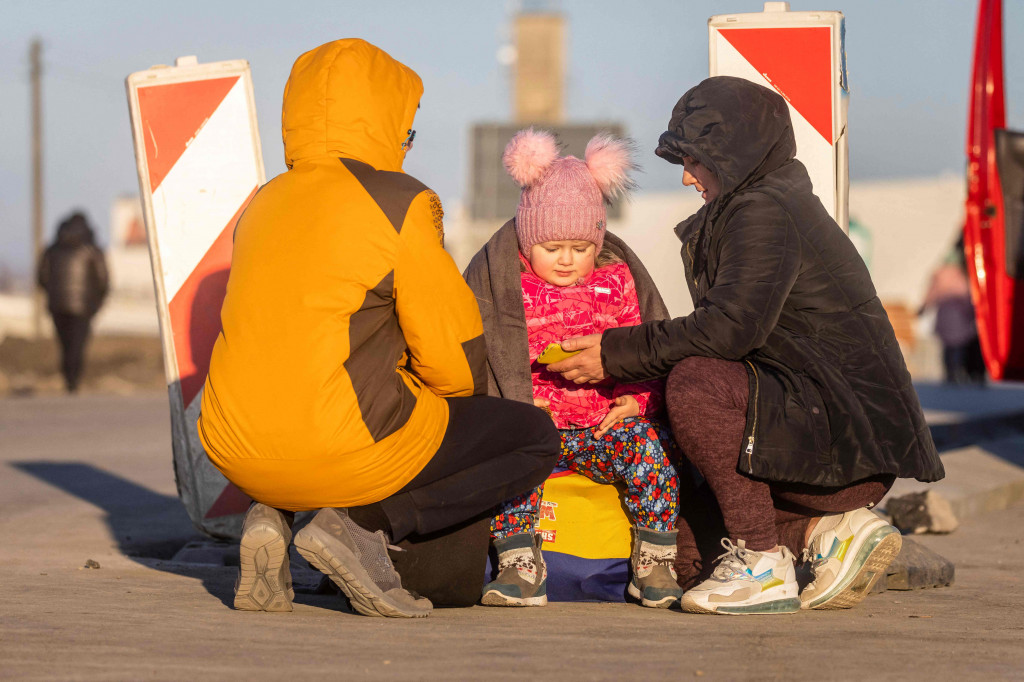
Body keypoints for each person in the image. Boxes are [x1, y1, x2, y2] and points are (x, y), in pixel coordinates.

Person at [547, 77, 944, 615]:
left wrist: (613, 354)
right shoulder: (767, 204)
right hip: (826, 432)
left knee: (694, 384)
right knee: (687, 559)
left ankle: (762, 561)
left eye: (694, 160)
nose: (687, 177)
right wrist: (642, 389)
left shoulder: (763, 211)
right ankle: (822, 535)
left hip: (840, 442)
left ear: (731, 154)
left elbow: (728, 329)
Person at [197, 39, 559, 619]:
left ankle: (272, 515)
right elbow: (449, 351)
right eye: (405, 132)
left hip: (235, 448)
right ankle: (359, 527)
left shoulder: (262, 204)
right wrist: (458, 402)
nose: (407, 147)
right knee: (530, 436)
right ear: (384, 124)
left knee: (314, 398)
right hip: (342, 447)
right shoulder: (398, 202)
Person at [463, 130, 683, 609]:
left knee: (650, 453)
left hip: (603, 425)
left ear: (598, 241)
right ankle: (520, 564)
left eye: (581, 248)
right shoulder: (508, 287)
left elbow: (644, 345)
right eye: (553, 247)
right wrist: (519, 405)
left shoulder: (617, 282)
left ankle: (655, 560)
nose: (567, 260)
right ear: (527, 241)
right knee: (514, 466)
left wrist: (638, 400)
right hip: (537, 426)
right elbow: (485, 355)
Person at [37, 211, 109, 393]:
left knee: (64, 343)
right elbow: (103, 280)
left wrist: (52, 294)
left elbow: (41, 277)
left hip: (57, 305)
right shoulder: (92, 249)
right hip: (84, 307)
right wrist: (97, 302)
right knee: (78, 344)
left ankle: (68, 379)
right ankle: (73, 381)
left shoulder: (52, 249)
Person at [920, 236, 986, 385]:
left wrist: (923, 307)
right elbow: (969, 296)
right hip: (960, 317)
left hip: (946, 315)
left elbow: (932, 292)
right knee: (959, 347)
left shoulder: (940, 273)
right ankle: (958, 371)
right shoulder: (963, 274)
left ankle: (951, 372)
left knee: (949, 347)